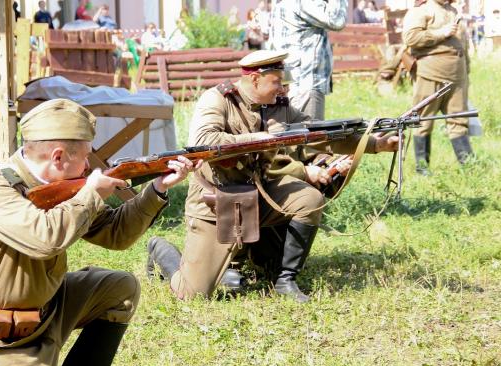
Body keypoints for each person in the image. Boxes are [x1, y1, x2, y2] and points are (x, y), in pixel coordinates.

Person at [0, 99, 197, 366]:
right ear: (58, 156)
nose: (90, 166)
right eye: (86, 157)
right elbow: (45, 238)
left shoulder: (65, 185)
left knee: (120, 289)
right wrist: (91, 194)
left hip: (48, 309)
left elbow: (115, 234)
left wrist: (157, 189)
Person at [146, 50, 399, 303]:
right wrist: (258, 140)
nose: (283, 89)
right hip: (216, 200)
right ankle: (159, 249)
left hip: (259, 193)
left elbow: (318, 136)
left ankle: (285, 280)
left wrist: (376, 144)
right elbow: (203, 142)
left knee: (308, 198)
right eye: (277, 82)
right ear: (255, 79)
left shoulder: (278, 106)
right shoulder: (217, 99)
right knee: (192, 294)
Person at [403, 0, 474, 175]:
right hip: (431, 72)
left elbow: (462, 43)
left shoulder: (453, 11)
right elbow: (411, 38)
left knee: (459, 120)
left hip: (457, 75)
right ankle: (422, 169)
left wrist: (467, 71)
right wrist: (440, 33)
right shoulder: (422, 10)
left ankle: (468, 166)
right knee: (423, 120)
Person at [269, 0, 348, 120]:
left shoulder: (281, 3)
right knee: (312, 135)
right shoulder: (304, 2)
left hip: (291, 82)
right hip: (306, 84)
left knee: (294, 134)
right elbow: (335, 21)